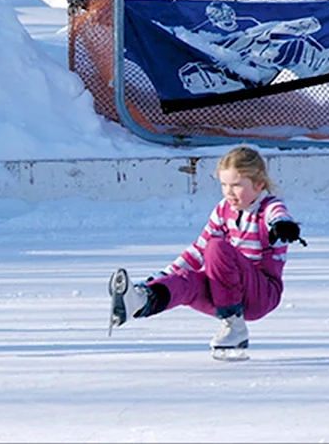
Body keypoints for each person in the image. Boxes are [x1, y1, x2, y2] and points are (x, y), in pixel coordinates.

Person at [107, 145, 306, 359]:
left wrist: (282, 225)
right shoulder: (223, 209)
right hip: (229, 293)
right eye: (224, 185)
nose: (229, 192)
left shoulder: (268, 208)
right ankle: (142, 299)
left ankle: (233, 324)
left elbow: (278, 214)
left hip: (261, 294)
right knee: (187, 280)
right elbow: (197, 251)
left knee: (217, 247)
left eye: (237, 185)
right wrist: (160, 277)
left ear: (258, 185)